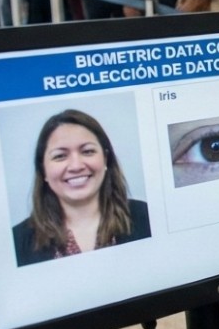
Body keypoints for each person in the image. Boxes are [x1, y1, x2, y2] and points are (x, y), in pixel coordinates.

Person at [12, 109, 151, 266]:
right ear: (43, 170)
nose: (76, 166)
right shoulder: (16, 242)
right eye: (60, 156)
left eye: (87, 151)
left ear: (105, 159)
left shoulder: (148, 217)